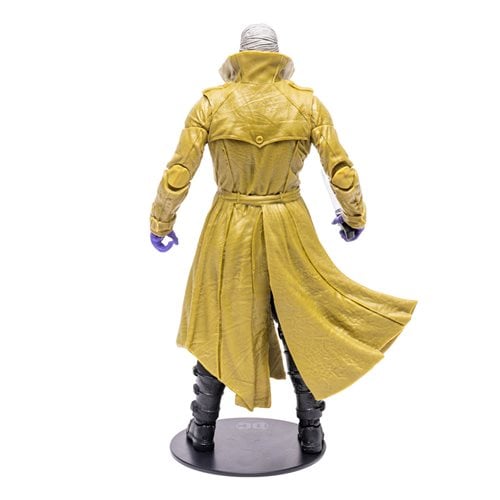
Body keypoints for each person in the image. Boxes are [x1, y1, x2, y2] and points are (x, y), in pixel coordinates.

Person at [149, 24, 417, 454]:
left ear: (240, 55)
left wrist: (161, 221)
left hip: (229, 226)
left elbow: (180, 170)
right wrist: (354, 215)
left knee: (218, 324)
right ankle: (311, 431)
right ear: (278, 55)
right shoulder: (306, 104)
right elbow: (340, 170)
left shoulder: (211, 103)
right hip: (289, 222)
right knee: (301, 322)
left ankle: (202, 429)